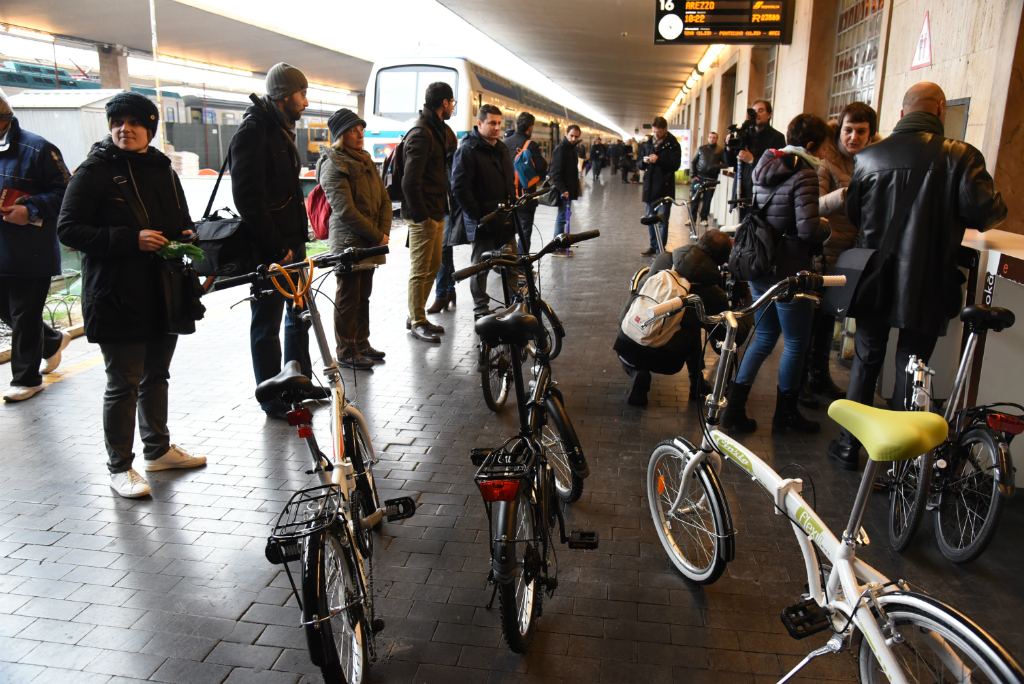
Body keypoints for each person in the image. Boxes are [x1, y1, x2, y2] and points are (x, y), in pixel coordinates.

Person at [827, 83, 1007, 470]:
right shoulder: (961, 156)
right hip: (928, 279)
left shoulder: (870, 157)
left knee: (866, 357)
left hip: (875, 276)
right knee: (913, 364)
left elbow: (856, 213)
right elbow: (987, 213)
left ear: (903, 110)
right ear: (940, 109)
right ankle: (902, 461)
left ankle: (847, 445)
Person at [57, 92, 206, 498]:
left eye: (135, 122)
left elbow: (179, 218)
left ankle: (157, 451)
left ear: (150, 128)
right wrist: (128, 239)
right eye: (118, 121)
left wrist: (185, 234)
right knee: (123, 382)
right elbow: (68, 230)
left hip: (163, 292)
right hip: (116, 295)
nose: (125, 128)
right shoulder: (93, 171)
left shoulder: (162, 168)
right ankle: (119, 466)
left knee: (156, 376)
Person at [720, 113, 831, 435]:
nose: (824, 155)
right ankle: (786, 415)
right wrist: (828, 229)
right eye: (823, 148)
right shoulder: (806, 173)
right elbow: (808, 227)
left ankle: (734, 408)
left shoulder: (766, 165)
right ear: (811, 145)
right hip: (789, 269)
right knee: (796, 342)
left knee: (765, 336)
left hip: (760, 262)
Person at [230, 62, 323, 418]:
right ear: (284, 95)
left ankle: (298, 382)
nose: (305, 100)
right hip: (270, 250)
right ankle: (272, 397)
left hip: (292, 245)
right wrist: (276, 248)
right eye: (302, 94)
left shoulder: (279, 127)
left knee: (298, 316)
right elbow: (248, 199)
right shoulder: (253, 132)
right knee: (267, 325)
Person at [800, 101, 879, 407]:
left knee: (830, 319)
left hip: (854, 255)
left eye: (861, 131)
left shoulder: (875, 160)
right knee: (814, 319)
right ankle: (804, 379)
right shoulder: (826, 162)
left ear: (870, 134)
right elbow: (814, 206)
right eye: (848, 130)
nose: (853, 137)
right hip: (825, 253)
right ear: (839, 131)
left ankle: (820, 375)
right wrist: (846, 194)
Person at [615, 229, 749, 406]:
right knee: (691, 322)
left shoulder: (664, 259)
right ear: (722, 260)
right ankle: (697, 383)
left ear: (699, 242)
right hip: (665, 359)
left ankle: (636, 372)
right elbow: (731, 337)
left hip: (626, 342)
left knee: (685, 317)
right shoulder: (713, 293)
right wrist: (747, 307)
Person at [0, 90, 71, 403]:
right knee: (12, 312)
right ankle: (53, 341)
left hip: (30, 250)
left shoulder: (37, 149)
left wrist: (31, 208)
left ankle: (26, 378)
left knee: (25, 314)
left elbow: (66, 192)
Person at [315, 109, 391, 371]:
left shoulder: (365, 159)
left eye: (361, 129)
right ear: (340, 136)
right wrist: (377, 234)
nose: (359, 135)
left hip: (370, 240)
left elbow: (384, 199)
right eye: (352, 130)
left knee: (364, 296)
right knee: (348, 297)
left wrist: (382, 232)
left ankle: (361, 342)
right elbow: (345, 210)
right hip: (349, 240)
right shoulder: (333, 163)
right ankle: (346, 350)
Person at [402, 82, 456, 343]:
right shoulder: (422, 132)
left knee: (434, 266)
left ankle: (416, 315)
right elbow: (409, 181)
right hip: (424, 215)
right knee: (420, 268)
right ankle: (417, 320)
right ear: (444, 103)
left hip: (436, 211)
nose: (453, 107)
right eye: (452, 102)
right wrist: (422, 216)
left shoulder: (436, 129)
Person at [451, 104, 517, 319]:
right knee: (481, 266)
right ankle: (481, 308)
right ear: (479, 123)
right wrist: (478, 216)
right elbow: (460, 187)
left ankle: (514, 302)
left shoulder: (502, 148)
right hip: (483, 220)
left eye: (499, 123)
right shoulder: (468, 150)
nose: (497, 127)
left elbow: (509, 183)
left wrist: (513, 207)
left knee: (512, 262)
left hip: (505, 217)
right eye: (492, 123)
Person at [725, 100, 786, 218]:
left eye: (761, 111)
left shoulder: (777, 137)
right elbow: (730, 162)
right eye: (754, 111)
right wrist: (728, 148)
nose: (757, 114)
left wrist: (753, 160)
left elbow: (779, 167)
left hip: (763, 194)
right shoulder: (744, 135)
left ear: (769, 115)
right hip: (742, 191)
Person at [502, 112, 548, 253]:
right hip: (526, 196)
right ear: (530, 128)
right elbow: (542, 167)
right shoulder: (530, 145)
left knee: (508, 232)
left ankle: (509, 263)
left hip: (507, 196)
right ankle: (522, 267)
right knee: (525, 232)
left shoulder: (504, 143)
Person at [426, 127, 460, 315]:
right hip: (444, 211)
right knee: (445, 254)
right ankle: (449, 292)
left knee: (441, 254)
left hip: (448, 212)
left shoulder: (451, 158)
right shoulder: (444, 158)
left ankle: (441, 296)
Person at [639, 117, 682, 257]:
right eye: (654, 132)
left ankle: (660, 250)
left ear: (665, 130)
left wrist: (659, 160)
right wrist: (644, 162)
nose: (655, 135)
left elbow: (675, 165)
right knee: (650, 218)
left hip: (665, 187)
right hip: (650, 186)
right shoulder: (647, 144)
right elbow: (639, 164)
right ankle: (653, 246)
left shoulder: (673, 145)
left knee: (663, 220)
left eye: (658, 132)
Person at [549, 125, 582, 254]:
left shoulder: (572, 149)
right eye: (571, 135)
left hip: (568, 191)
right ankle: (556, 247)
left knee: (564, 217)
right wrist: (563, 189)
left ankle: (561, 244)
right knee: (562, 218)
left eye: (576, 136)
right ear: (566, 134)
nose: (574, 138)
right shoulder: (561, 149)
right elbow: (555, 173)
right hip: (564, 192)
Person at [689, 131, 725, 226]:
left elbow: (726, 163)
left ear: (716, 139)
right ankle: (692, 218)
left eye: (714, 137)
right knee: (694, 198)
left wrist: (716, 166)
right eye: (710, 137)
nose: (711, 139)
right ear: (707, 138)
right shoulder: (701, 149)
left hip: (711, 180)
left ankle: (703, 219)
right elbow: (693, 162)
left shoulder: (719, 150)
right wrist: (693, 175)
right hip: (699, 178)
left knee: (707, 200)